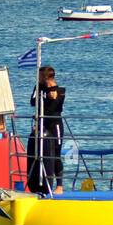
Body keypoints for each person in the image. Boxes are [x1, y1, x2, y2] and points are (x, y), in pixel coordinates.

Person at [26, 66, 67, 195]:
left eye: (39, 76)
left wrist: (52, 96)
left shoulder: (60, 91)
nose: (37, 78)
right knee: (40, 153)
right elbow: (33, 102)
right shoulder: (38, 87)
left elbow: (55, 106)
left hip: (54, 125)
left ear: (45, 77)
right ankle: (39, 183)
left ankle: (59, 185)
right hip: (41, 124)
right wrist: (42, 95)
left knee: (55, 154)